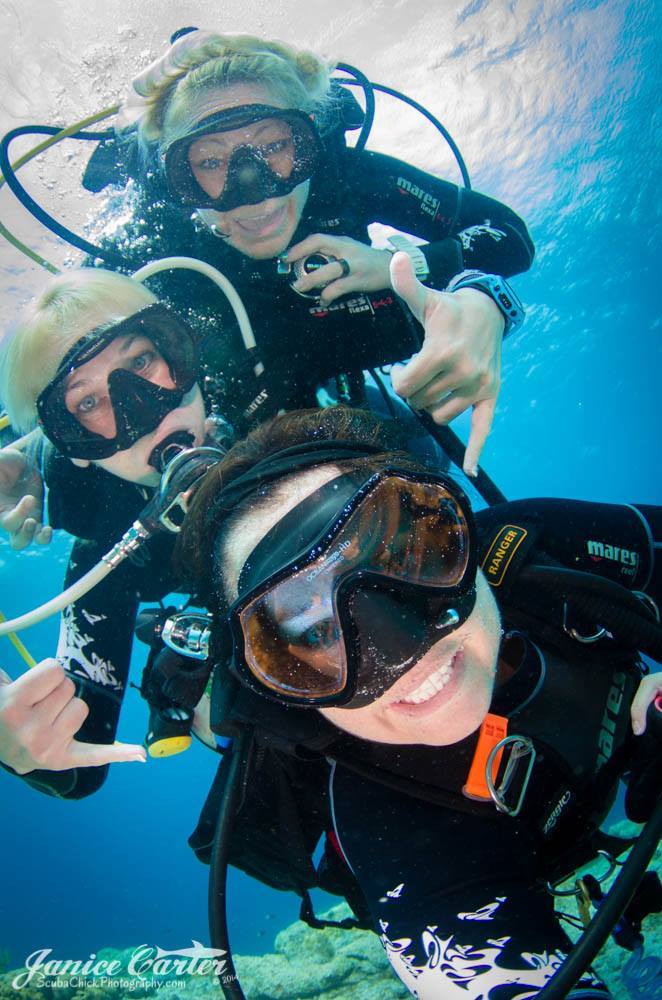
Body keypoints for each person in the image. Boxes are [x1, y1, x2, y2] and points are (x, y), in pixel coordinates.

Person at [174, 405, 661, 999]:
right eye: (314, 632)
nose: (402, 651)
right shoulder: (390, 830)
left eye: (404, 553)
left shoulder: (548, 552)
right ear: (282, 684)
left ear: (457, 530)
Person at [0, 28, 534, 548]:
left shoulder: (342, 177)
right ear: (175, 179)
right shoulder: (153, 241)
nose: (251, 190)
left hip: (336, 361)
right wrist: (28, 449)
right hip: (230, 408)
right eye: (210, 162)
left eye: (276, 146)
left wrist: (429, 274)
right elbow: (64, 351)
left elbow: (507, 234)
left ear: (311, 142)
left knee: (420, 458)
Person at [0, 268, 216, 795]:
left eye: (141, 360)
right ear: (74, 441)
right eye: (90, 403)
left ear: (177, 346)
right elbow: (78, 761)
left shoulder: (263, 373)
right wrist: (14, 743)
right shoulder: (107, 548)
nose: (143, 410)